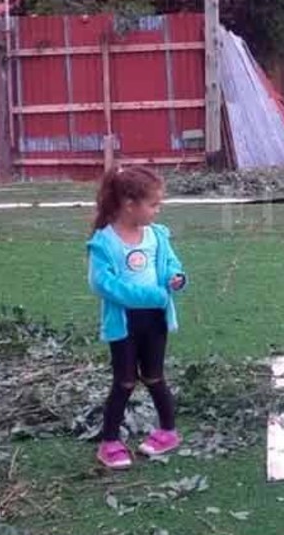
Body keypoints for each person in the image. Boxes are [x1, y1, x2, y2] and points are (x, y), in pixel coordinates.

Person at [87, 166, 188, 469]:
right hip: (125, 324)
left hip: (155, 322)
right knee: (125, 381)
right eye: (153, 204)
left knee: (155, 377)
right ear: (130, 204)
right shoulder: (104, 242)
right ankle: (109, 442)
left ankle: (168, 431)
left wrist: (176, 278)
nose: (157, 211)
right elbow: (103, 285)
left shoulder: (157, 235)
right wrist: (154, 296)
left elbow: (171, 264)